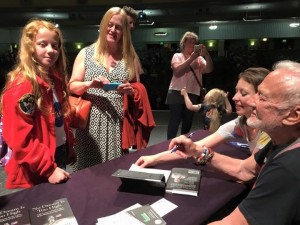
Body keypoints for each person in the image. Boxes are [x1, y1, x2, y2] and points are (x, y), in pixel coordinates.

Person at [170, 62, 300, 224]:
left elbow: (234, 223)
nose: (252, 103)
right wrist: (198, 151)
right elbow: (244, 170)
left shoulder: (288, 168)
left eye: (262, 97)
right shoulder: (283, 141)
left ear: (293, 116)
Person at [135, 67, 270, 168]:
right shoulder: (240, 123)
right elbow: (199, 145)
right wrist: (154, 158)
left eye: (244, 93)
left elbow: (248, 171)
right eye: (236, 91)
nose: (235, 97)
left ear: (261, 96)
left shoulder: (269, 129)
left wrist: (200, 152)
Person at [68, 7, 147, 171]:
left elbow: (137, 88)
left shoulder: (130, 57)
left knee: (116, 171)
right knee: (87, 172)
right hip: (90, 123)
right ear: (103, 25)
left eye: (118, 27)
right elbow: (72, 86)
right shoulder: (86, 53)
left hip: (118, 123)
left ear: (124, 31)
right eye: (110, 25)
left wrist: (130, 90)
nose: (113, 30)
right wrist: (89, 84)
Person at [0, 19, 75, 189]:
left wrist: (68, 146)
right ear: (30, 48)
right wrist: (48, 169)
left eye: (55, 46)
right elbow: (20, 139)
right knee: (42, 211)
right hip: (37, 166)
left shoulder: (55, 80)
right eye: (43, 44)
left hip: (57, 153)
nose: (51, 50)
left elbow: (60, 119)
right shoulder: (23, 86)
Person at [165, 31, 213, 140]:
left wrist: (206, 55)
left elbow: (209, 69)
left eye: (195, 42)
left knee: (188, 120)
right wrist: (191, 59)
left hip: (192, 92)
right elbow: (177, 70)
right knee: (175, 119)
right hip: (176, 91)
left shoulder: (200, 59)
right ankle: (168, 144)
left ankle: (183, 142)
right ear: (184, 43)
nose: (192, 44)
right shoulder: (177, 56)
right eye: (190, 42)